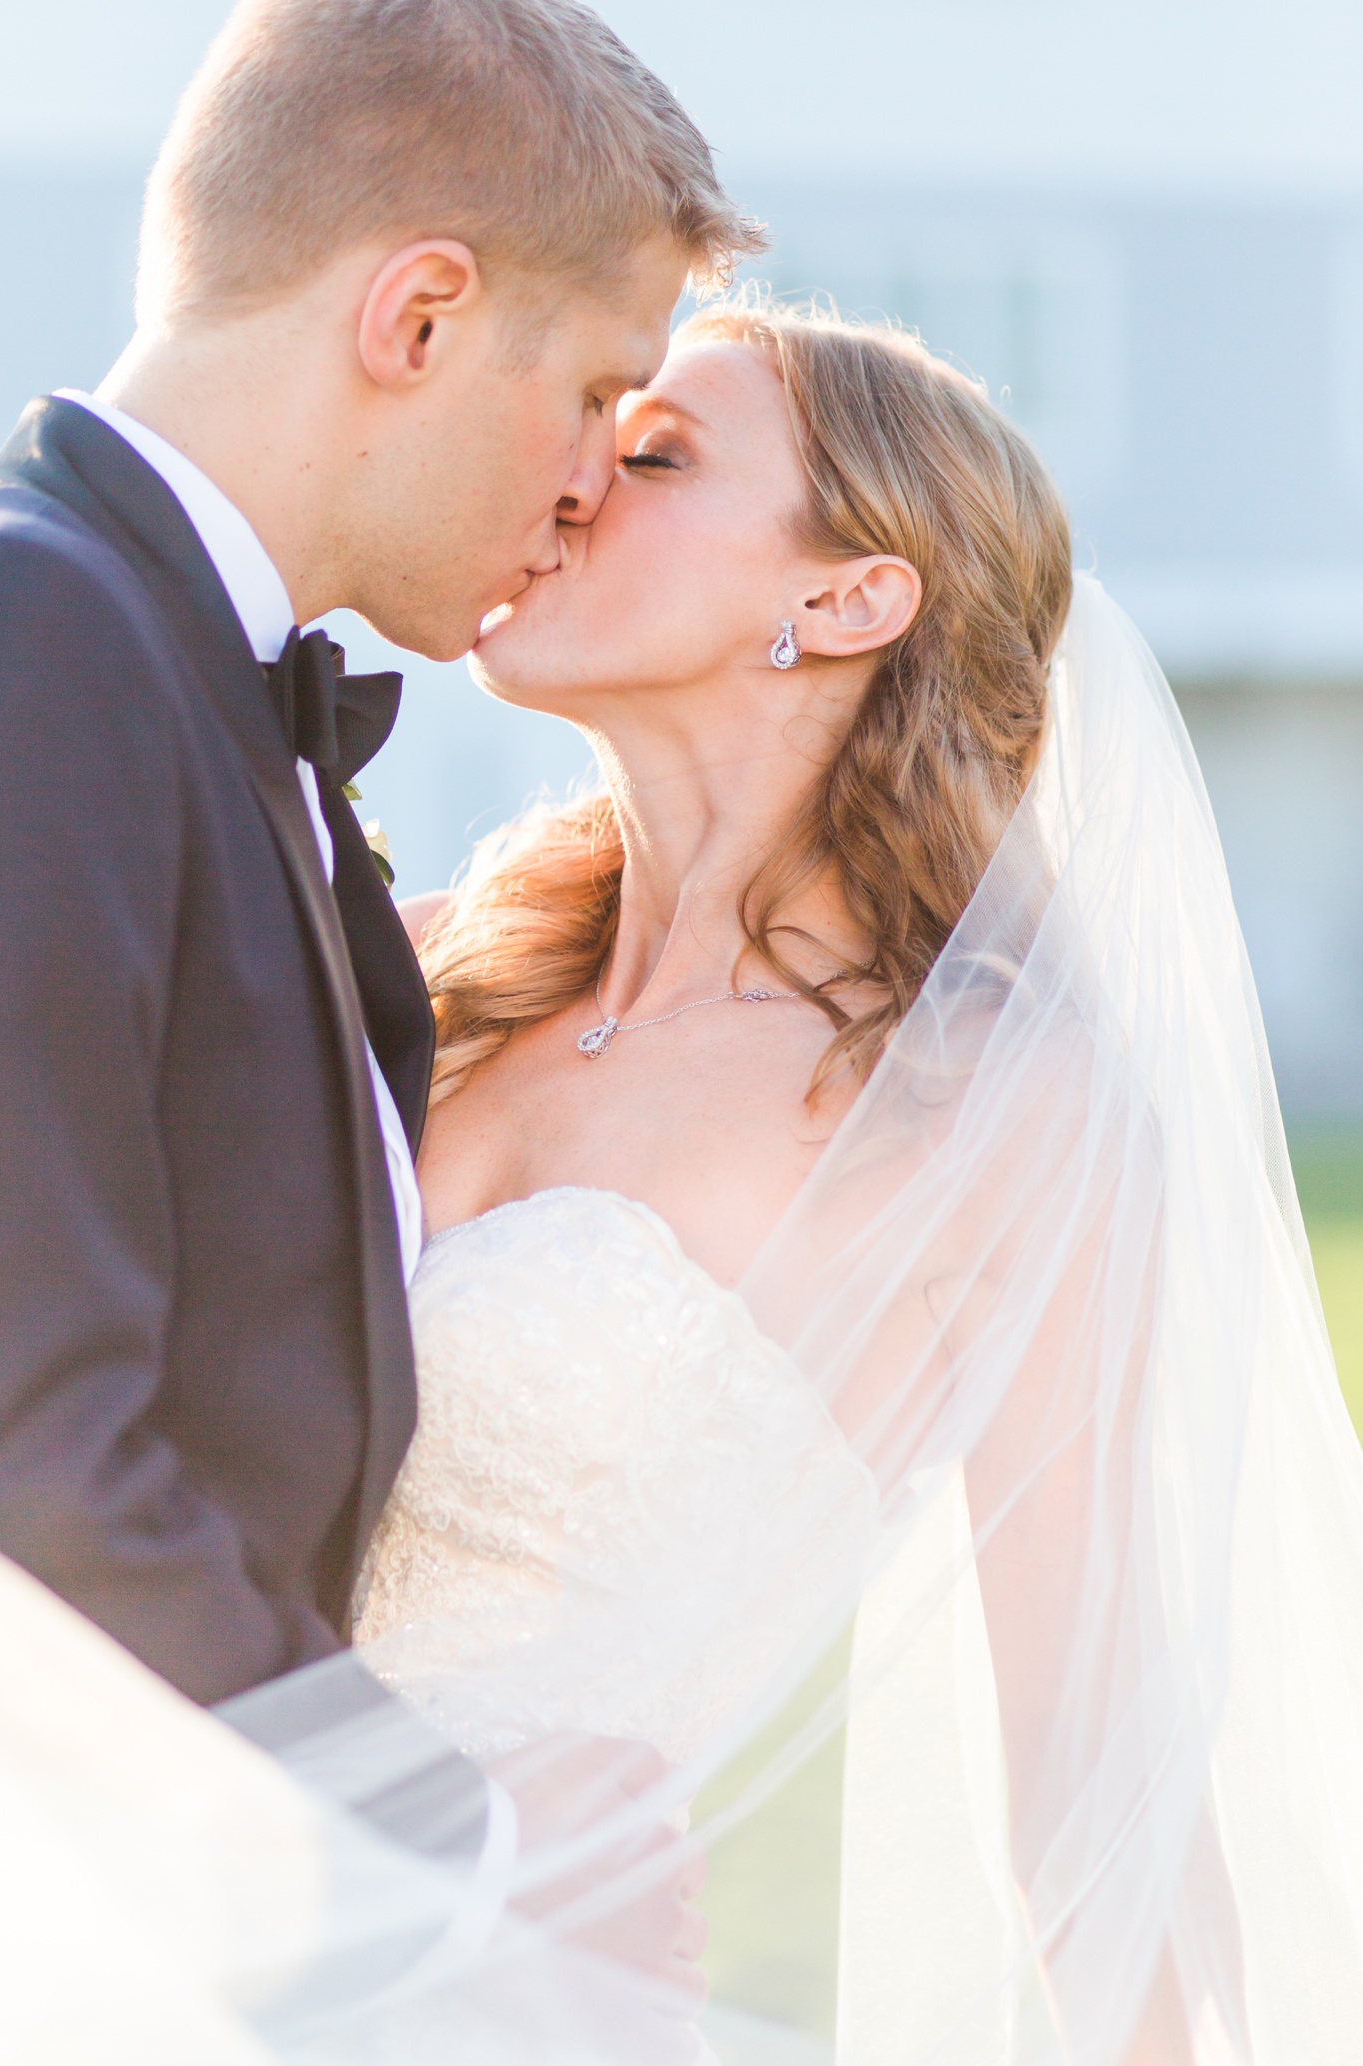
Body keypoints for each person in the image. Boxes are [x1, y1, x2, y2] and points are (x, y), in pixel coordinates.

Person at [0, 0, 756, 2003]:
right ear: (419, 311)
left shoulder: (178, 683)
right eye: (604, 388)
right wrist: (468, 1848)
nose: (595, 474)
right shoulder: (15, 638)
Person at [343, 298, 1363, 2063]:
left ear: (847, 598)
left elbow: (1090, 1762)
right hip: (169, 1880)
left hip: (515, 1994)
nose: (572, 480)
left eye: (653, 454)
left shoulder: (982, 1106)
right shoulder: (428, 968)